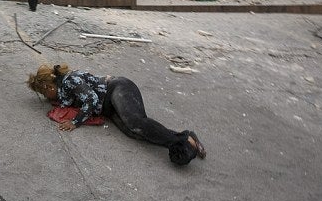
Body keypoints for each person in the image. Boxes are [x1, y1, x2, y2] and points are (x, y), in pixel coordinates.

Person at [26, 64, 206, 166]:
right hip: (108, 105)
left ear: (49, 87)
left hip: (118, 88)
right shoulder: (62, 89)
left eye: (43, 93)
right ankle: (184, 137)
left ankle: (184, 140)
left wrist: (75, 122)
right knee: (133, 132)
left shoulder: (69, 81)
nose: (45, 97)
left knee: (136, 123)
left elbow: (91, 99)